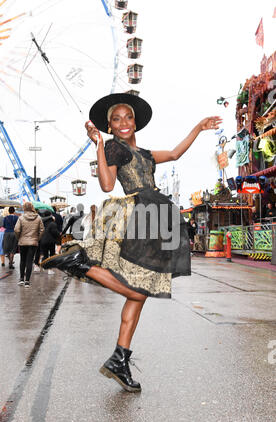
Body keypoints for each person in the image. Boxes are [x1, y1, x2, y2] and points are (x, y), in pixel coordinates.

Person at [42, 92, 222, 392]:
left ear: (135, 122)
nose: (123, 122)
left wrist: (198, 127)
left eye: (127, 117)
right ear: (110, 127)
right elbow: (107, 184)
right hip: (139, 214)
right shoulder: (114, 147)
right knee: (140, 290)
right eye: (116, 119)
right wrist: (99, 145)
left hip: (154, 216)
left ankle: (119, 359)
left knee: (138, 294)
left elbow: (176, 154)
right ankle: (82, 264)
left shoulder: (148, 155)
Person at [14, 202, 44, 287]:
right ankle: (27, 281)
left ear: (24, 208)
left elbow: (16, 230)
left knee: (22, 260)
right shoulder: (38, 218)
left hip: (22, 242)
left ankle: (21, 279)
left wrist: (19, 238)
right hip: (33, 242)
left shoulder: (21, 218)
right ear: (32, 208)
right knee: (30, 261)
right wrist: (37, 239)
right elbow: (42, 230)